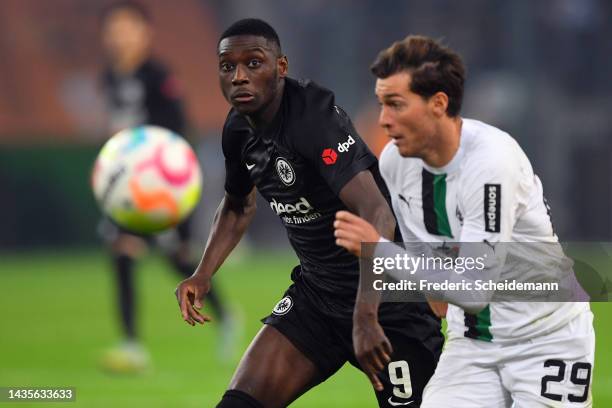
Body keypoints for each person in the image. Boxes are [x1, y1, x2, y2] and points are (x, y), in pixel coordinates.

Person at [175, 19, 443, 408]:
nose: (239, 77)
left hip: (388, 304)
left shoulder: (313, 119)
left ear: (280, 68)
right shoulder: (237, 130)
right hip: (316, 300)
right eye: (227, 67)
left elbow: (377, 215)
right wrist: (203, 272)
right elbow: (237, 205)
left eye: (253, 63)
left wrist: (366, 315)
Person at [334, 35, 595, 407]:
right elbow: (437, 291)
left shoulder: (491, 163)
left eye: (395, 105)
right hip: (473, 346)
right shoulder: (394, 162)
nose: (383, 120)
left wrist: (379, 250)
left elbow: (473, 292)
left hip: (548, 339)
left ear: (438, 104)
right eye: (381, 104)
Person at [98, 1, 236, 373]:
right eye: (113, 28)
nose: (118, 35)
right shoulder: (109, 77)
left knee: (180, 260)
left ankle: (225, 317)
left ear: (145, 32)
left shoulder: (158, 76)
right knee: (122, 253)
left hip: (160, 186)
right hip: (127, 187)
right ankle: (131, 344)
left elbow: (178, 132)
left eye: (126, 27)